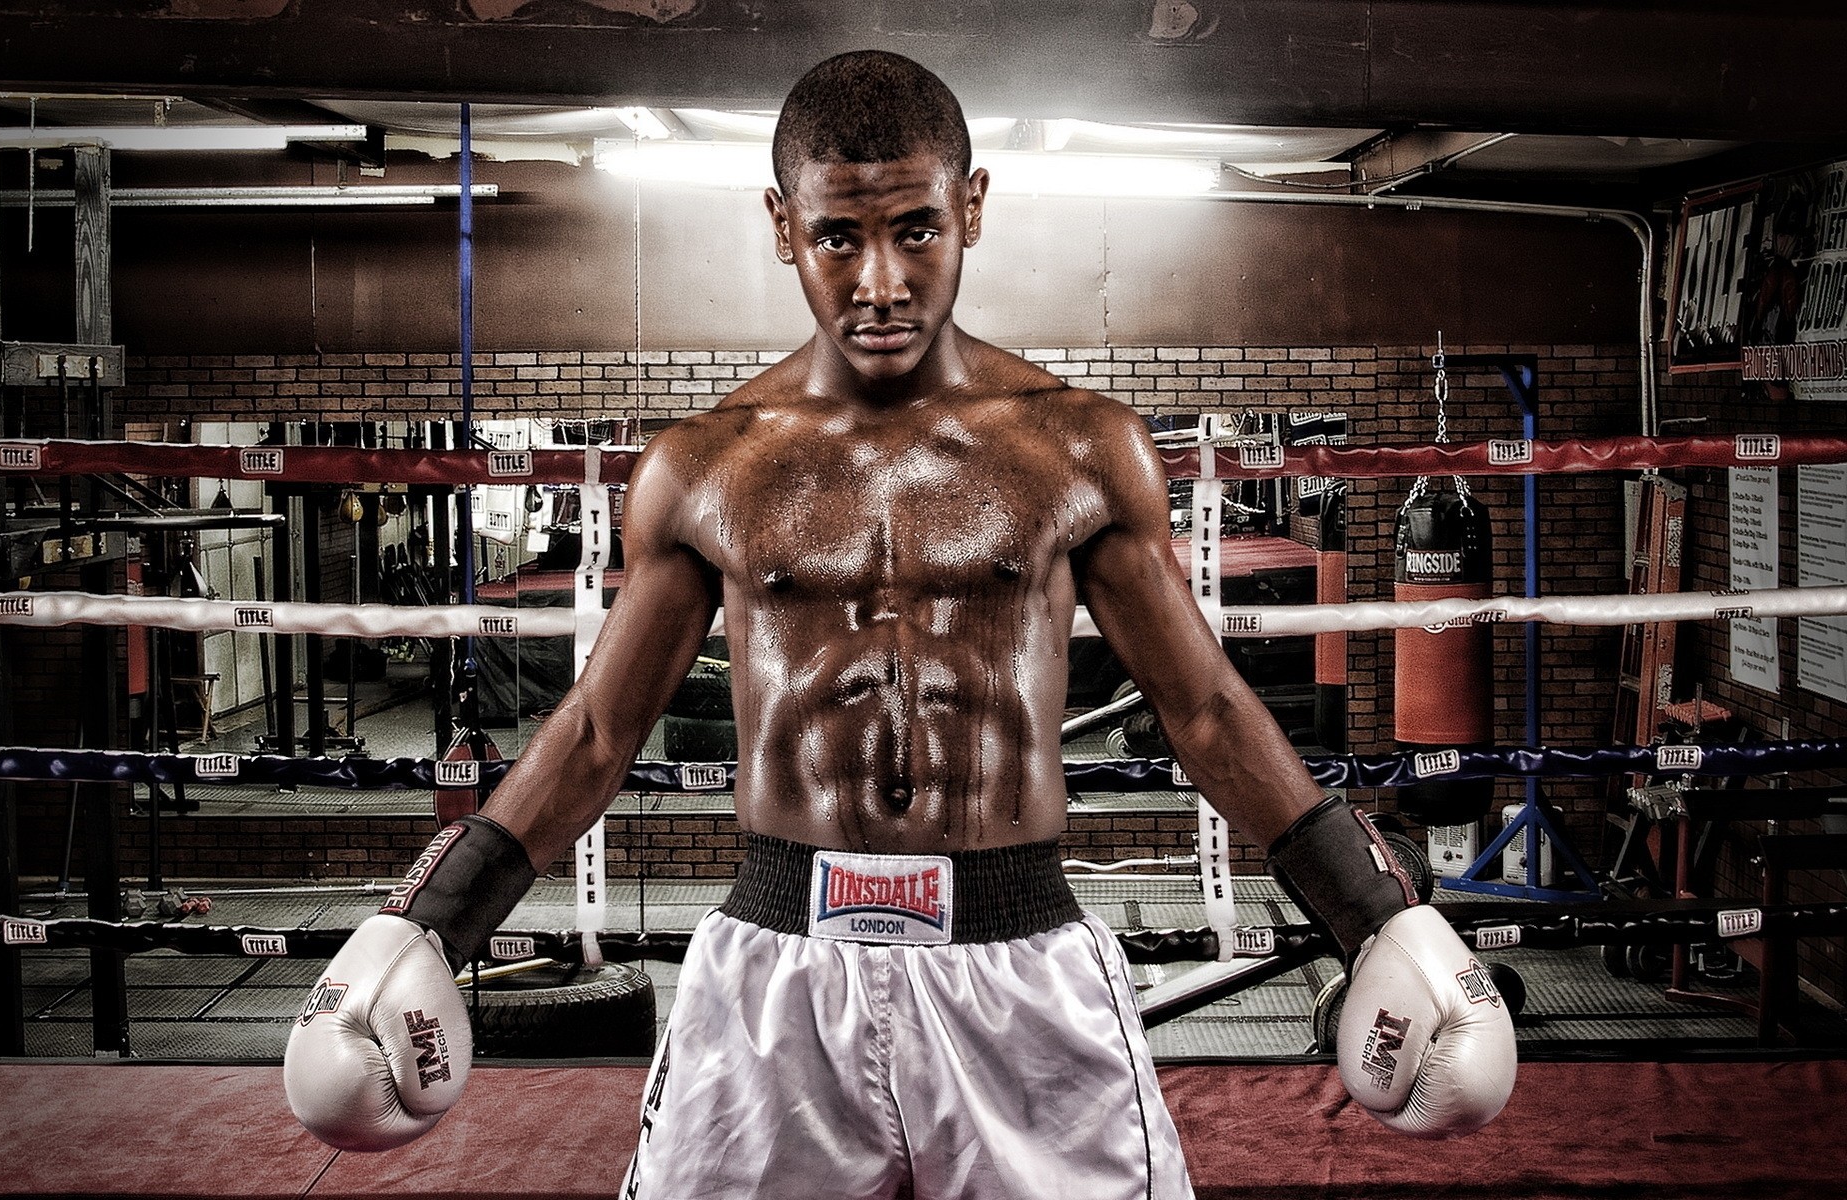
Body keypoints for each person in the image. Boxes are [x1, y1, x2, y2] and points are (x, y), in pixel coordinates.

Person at [284, 50, 1516, 1198]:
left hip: (1018, 954)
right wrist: (433, 923)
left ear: (971, 206)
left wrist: (1373, 913)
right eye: (838, 237)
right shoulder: (705, 467)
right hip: (775, 957)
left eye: (916, 228)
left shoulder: (1079, 449)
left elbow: (1201, 708)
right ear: (782, 227)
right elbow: (603, 726)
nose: (880, 283)